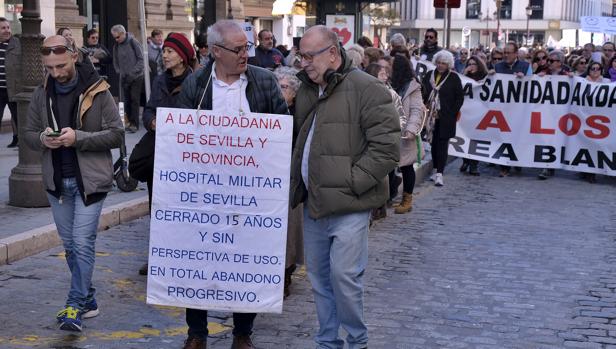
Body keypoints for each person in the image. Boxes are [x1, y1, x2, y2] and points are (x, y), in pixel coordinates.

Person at [175, 20, 288, 349]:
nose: (245, 55)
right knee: (197, 262)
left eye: (247, 48)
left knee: (245, 259)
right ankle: (197, 333)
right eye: (238, 49)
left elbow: (282, 134)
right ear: (215, 52)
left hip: (251, 194)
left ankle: (243, 332)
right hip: (204, 193)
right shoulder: (196, 84)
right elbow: (181, 139)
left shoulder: (264, 82)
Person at [291, 25, 400, 349]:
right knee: (321, 280)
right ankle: (327, 342)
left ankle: (357, 340)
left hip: (350, 206)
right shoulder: (308, 89)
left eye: (309, 56)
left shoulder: (368, 89)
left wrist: (353, 183)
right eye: (301, 56)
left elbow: (386, 149)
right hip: (314, 203)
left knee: (344, 279)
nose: (304, 63)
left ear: (333, 54)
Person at [22, 35, 123, 332]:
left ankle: (74, 305)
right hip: (57, 182)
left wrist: (78, 137)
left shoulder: (98, 90)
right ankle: (89, 299)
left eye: (61, 66)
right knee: (70, 247)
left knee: (82, 243)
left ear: (74, 56)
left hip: (90, 182)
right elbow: (27, 132)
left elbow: (117, 135)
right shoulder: (42, 93)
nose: (56, 73)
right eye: (50, 68)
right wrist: (41, 138)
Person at [273, 66, 304, 298]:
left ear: (294, 92)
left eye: (283, 87)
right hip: (270, 175)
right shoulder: (269, 111)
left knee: (290, 230)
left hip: (291, 176)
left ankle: (286, 273)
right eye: (276, 86)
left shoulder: (300, 114)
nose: (279, 91)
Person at [364, 63, 403, 220]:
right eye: (382, 73)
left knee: (382, 175)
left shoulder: (391, 94)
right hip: (366, 140)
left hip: (384, 140)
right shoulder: (362, 92)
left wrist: (390, 131)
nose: (386, 77)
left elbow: (401, 117)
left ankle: (379, 206)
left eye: (386, 74)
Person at [422, 50, 464, 186]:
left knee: (442, 144)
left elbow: (459, 97)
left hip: (446, 117)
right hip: (430, 117)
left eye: (444, 63)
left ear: (449, 65)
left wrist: (452, 113)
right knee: (433, 144)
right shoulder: (429, 75)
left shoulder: (453, 78)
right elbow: (423, 92)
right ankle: (435, 169)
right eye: (439, 63)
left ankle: (440, 173)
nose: (440, 66)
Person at [391, 54, 424, 213]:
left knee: (406, 166)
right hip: (389, 131)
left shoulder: (413, 86)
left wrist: (411, 129)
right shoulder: (389, 83)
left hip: (405, 132)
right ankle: (389, 196)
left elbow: (417, 110)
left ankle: (407, 199)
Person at [491, 42, 531, 177]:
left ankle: (516, 159)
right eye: (504, 53)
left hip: (519, 109)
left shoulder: (526, 67)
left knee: (517, 136)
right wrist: (489, 76)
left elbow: (533, 84)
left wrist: (525, 79)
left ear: (516, 54)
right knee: (503, 136)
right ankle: (504, 166)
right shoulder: (497, 66)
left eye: (509, 53)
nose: (506, 55)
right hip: (502, 108)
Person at [111, 24, 144, 133]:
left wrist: (132, 72)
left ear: (123, 34)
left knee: (134, 99)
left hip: (136, 76)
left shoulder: (133, 42)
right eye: (114, 37)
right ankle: (128, 122)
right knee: (126, 100)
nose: (116, 39)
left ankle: (135, 124)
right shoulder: (116, 45)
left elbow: (141, 59)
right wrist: (118, 71)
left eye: (117, 37)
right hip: (124, 77)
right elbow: (115, 60)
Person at [459, 55, 488, 176]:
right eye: (469, 64)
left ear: (479, 65)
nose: (471, 66)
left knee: (476, 138)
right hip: (465, 113)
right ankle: (466, 160)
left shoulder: (484, 77)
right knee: (465, 138)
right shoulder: (464, 78)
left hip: (479, 113)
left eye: (473, 64)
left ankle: (474, 165)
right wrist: (464, 73)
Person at [0, 17, 20, 148]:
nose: (7, 30)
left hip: (14, 88)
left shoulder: (17, 43)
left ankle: (21, 142)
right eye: (3, 28)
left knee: (19, 118)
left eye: (8, 27)